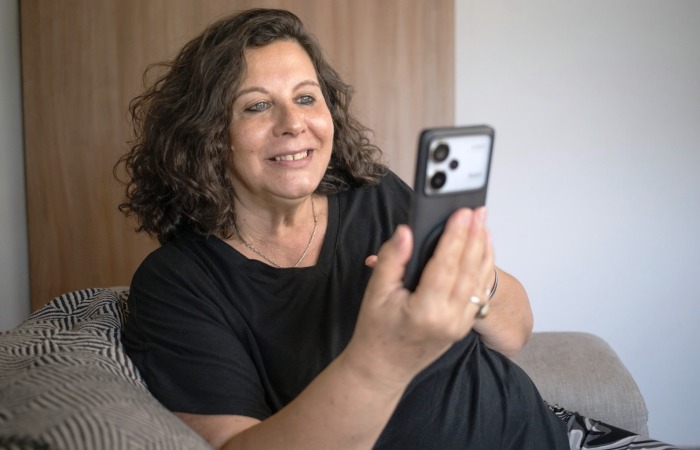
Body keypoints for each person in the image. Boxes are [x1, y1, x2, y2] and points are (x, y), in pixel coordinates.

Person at [117, 8, 677, 450]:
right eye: (257, 106)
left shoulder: (374, 193)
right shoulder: (179, 284)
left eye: (307, 98)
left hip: (549, 435)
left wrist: (476, 285)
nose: (294, 124)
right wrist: (388, 353)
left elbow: (515, 335)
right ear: (207, 134)